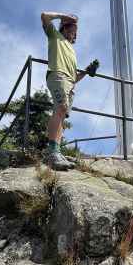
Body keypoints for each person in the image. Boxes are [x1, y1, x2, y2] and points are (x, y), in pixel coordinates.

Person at [40, 11, 98, 170]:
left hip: (69, 83)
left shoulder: (72, 51)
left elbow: (74, 78)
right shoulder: (55, 36)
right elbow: (44, 15)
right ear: (65, 28)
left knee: (61, 114)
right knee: (61, 109)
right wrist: (64, 16)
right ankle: (52, 153)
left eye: (76, 32)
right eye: (73, 30)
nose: (75, 34)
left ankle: (56, 151)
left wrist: (87, 71)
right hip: (57, 75)